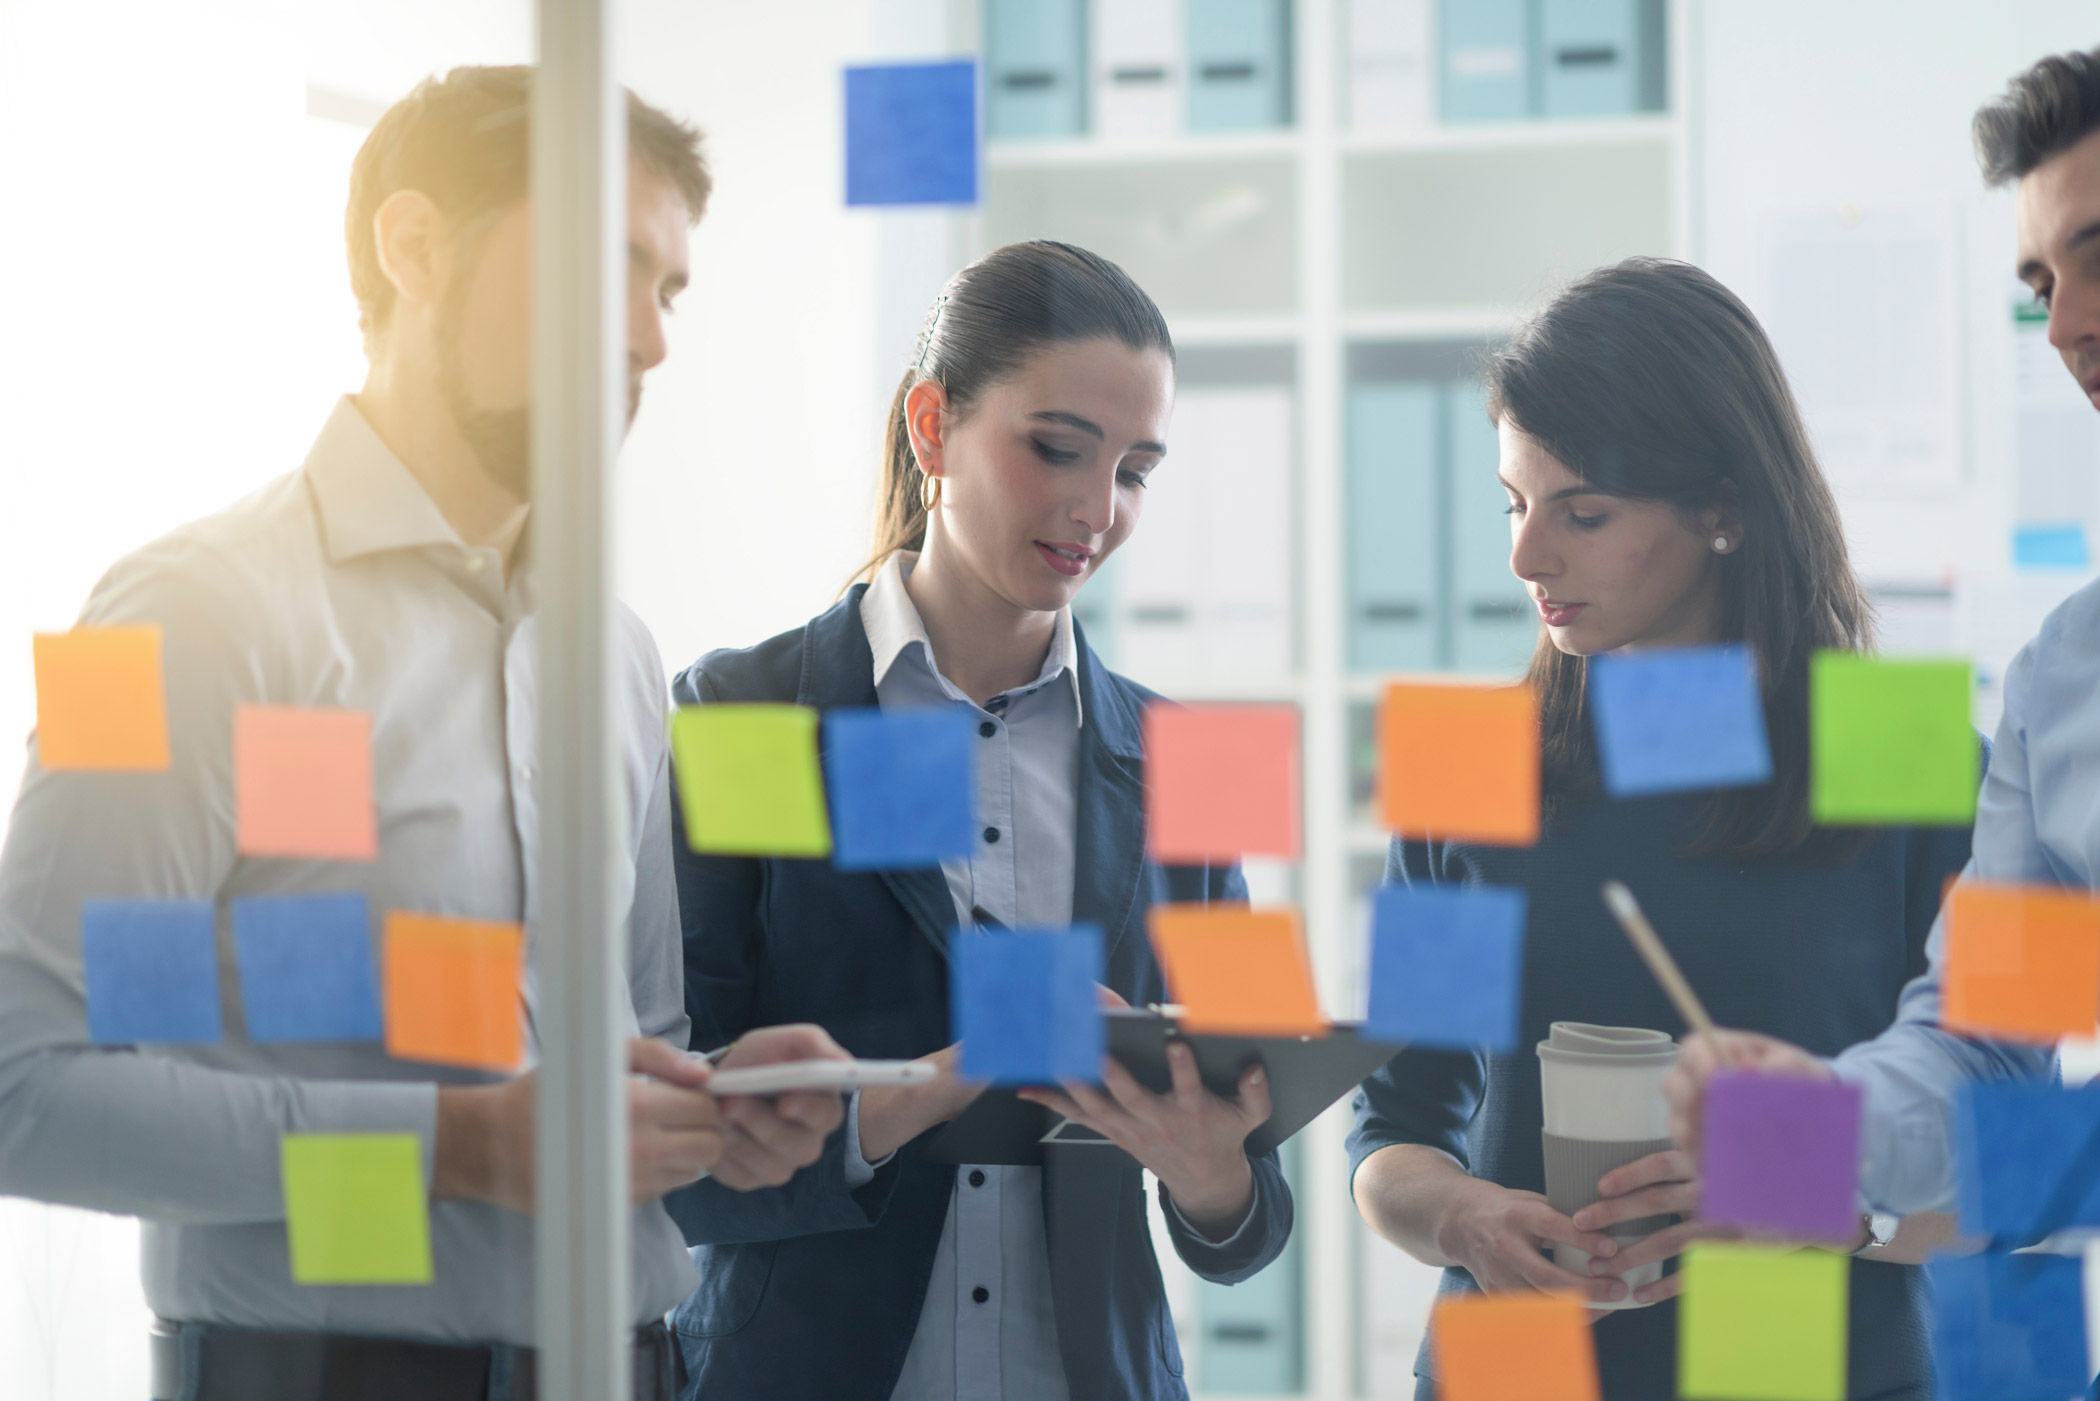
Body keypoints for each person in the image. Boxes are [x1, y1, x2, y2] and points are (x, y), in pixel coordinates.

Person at [0, 66, 847, 1401]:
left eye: (669, 290)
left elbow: (614, 1059)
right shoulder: (181, 618)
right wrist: (453, 1145)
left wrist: (712, 1107)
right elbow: (29, 1090)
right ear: (414, 247)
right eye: (605, 267)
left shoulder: (615, 656)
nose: (649, 340)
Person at [1346, 257, 2005, 1401]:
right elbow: (1392, 1130)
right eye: (1514, 504)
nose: (1525, 558)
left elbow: (2008, 1174)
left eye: (1582, 514)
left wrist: (1815, 1199)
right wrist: (1462, 1217)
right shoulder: (1468, 760)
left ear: (1725, 510)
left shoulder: (1919, 756)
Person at [659, 240, 1294, 1401]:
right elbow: (668, 1151)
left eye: (1137, 470)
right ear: (932, 426)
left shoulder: (1188, 757)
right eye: (1055, 447)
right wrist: (921, 1091)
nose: (1095, 510)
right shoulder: (747, 714)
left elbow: (1249, 1225)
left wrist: (1214, 1176)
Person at [1661, 46, 2094, 1266]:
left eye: (2096, 255)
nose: (2063, 323)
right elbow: (1987, 1041)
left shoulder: (1908, 738)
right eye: (2038, 280)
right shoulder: (2062, 679)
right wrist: (1823, 1121)